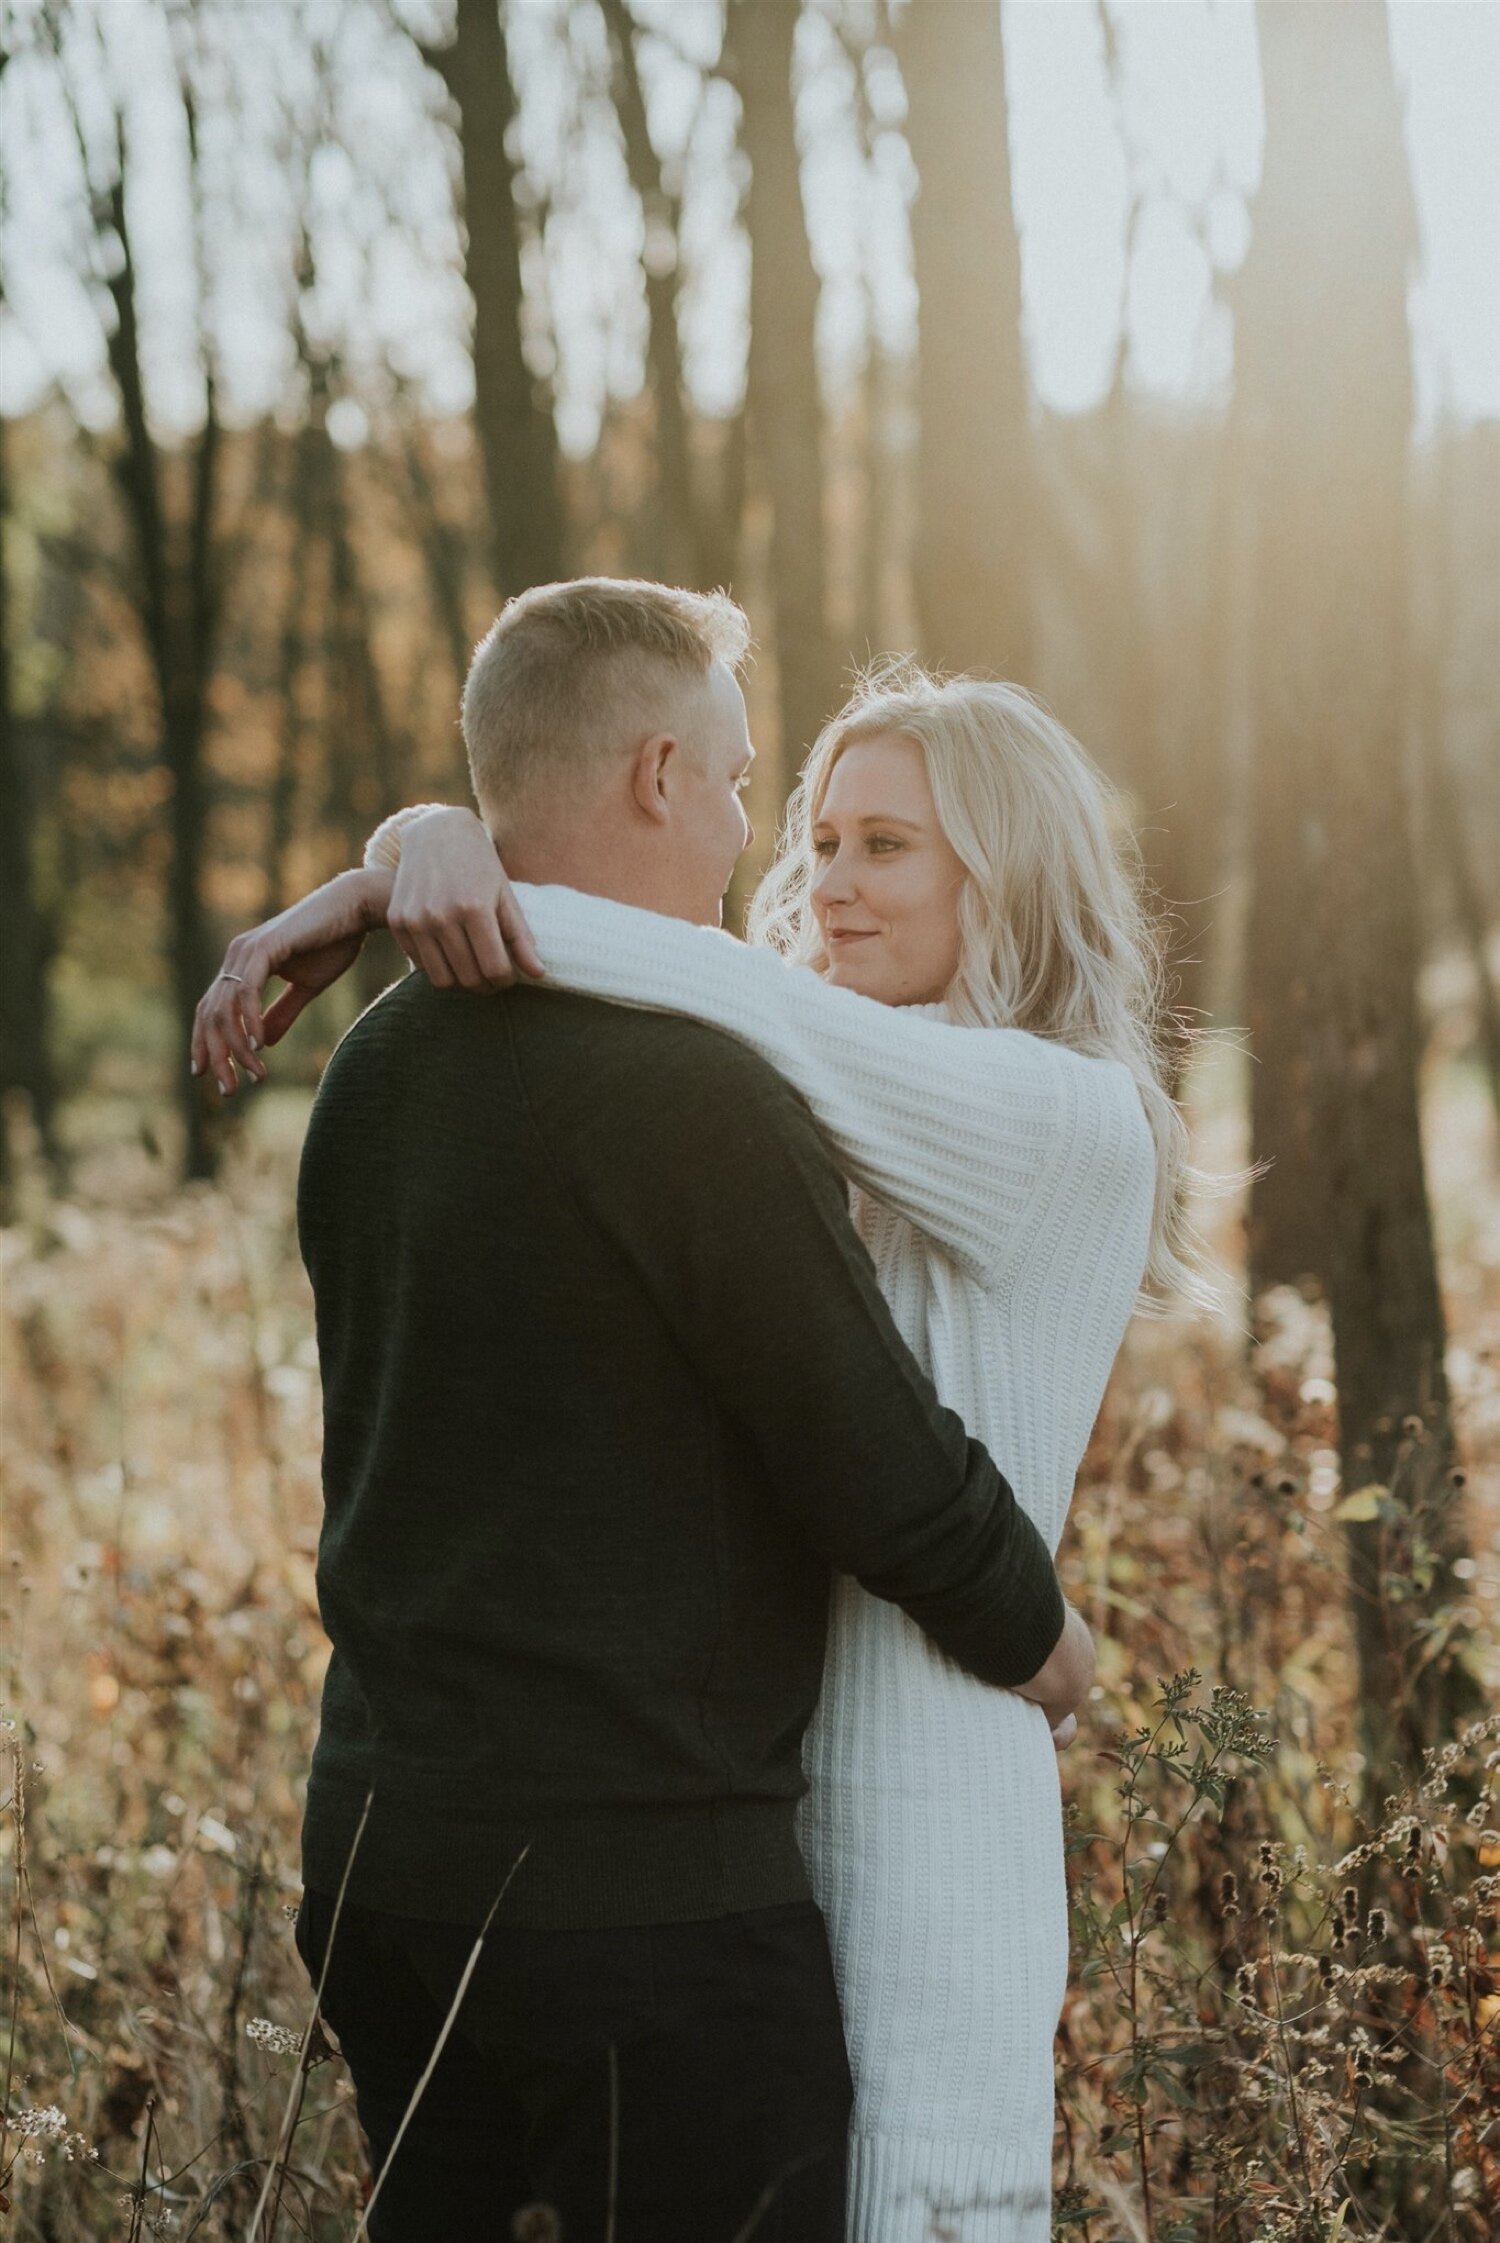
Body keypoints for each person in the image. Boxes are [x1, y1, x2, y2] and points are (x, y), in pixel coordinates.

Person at [195, 579, 1095, 2243]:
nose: (766, 846)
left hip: (383, 1857)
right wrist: (1039, 1631)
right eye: (753, 787)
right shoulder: (693, 1095)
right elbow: (871, 1459)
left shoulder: (376, 1068)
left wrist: (403, 861)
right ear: (660, 775)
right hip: (635, 1902)